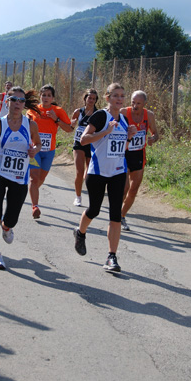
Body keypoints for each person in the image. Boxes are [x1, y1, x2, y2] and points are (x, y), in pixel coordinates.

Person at [73, 83, 137, 273]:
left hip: (117, 172)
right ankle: (80, 232)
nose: (119, 98)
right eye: (115, 95)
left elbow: (121, 148)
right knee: (94, 210)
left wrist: (129, 137)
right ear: (107, 97)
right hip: (97, 172)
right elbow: (83, 140)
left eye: (122, 95)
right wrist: (105, 131)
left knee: (115, 214)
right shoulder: (101, 116)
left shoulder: (124, 120)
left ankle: (111, 256)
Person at [0, 86, 41, 270]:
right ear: (7, 101)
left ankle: (7, 227)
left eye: (21, 101)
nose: (18, 104)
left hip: (19, 178)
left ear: (24, 105)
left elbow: (38, 144)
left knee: (10, 219)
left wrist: (34, 150)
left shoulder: (30, 125)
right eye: (14, 100)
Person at [27, 84, 73, 219]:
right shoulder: (33, 110)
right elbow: (25, 126)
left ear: (53, 97)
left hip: (49, 151)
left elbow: (69, 129)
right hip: (35, 150)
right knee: (34, 178)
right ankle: (35, 206)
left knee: (41, 178)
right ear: (40, 96)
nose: (46, 98)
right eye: (43, 95)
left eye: (49, 95)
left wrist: (56, 119)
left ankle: (33, 189)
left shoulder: (58, 111)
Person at [120, 90, 159, 231]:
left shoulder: (149, 115)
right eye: (133, 102)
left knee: (133, 189)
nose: (135, 106)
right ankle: (115, 216)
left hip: (139, 155)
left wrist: (153, 139)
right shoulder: (123, 113)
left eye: (138, 103)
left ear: (144, 104)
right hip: (123, 154)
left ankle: (121, 216)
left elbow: (156, 133)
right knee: (124, 188)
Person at [70, 88, 99, 206]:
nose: (91, 100)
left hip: (91, 145)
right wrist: (71, 124)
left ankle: (92, 197)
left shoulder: (98, 114)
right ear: (85, 98)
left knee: (88, 174)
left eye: (93, 98)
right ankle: (78, 197)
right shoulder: (79, 111)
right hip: (78, 144)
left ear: (96, 100)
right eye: (89, 98)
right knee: (79, 171)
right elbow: (71, 126)